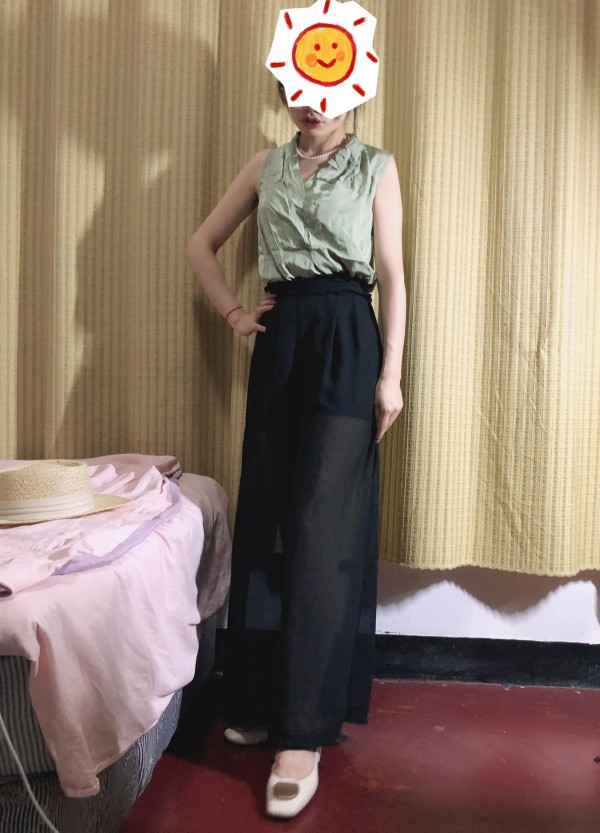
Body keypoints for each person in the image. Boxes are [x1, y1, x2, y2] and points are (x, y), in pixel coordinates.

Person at [186, 83, 406, 818]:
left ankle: (303, 734)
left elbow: (393, 274)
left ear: (356, 88)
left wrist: (391, 377)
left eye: (330, 89)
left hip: (348, 336)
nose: (313, 103)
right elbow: (200, 245)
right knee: (269, 516)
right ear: (284, 88)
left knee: (319, 529)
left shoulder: (376, 166)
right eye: (300, 90)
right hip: (282, 341)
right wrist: (234, 313)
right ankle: (259, 699)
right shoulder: (264, 166)